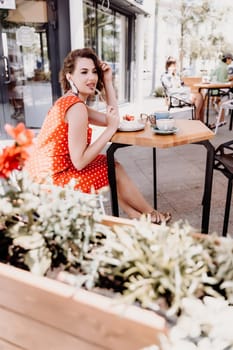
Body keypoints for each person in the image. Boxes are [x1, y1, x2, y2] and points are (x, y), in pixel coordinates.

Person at [26, 48, 171, 224]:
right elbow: (80, 162)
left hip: (42, 177)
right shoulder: (76, 108)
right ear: (69, 76)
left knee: (107, 163)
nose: (92, 77)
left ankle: (138, 215)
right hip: (52, 183)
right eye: (84, 72)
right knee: (112, 167)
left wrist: (108, 81)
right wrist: (109, 130)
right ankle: (149, 214)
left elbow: (113, 118)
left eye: (95, 72)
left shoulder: (71, 101)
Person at [161, 57, 205, 122]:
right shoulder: (165, 77)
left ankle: (198, 119)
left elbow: (181, 86)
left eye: (175, 66)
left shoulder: (175, 76)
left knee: (200, 96)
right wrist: (170, 75)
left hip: (181, 95)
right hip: (175, 98)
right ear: (168, 67)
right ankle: (197, 119)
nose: (175, 68)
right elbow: (171, 88)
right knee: (199, 97)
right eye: (173, 66)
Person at [209, 53, 233, 129]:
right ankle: (221, 120)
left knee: (219, 102)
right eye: (231, 60)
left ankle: (221, 120)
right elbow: (222, 80)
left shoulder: (220, 65)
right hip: (220, 87)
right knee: (220, 102)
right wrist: (230, 79)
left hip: (215, 87)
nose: (231, 61)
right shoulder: (224, 67)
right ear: (227, 59)